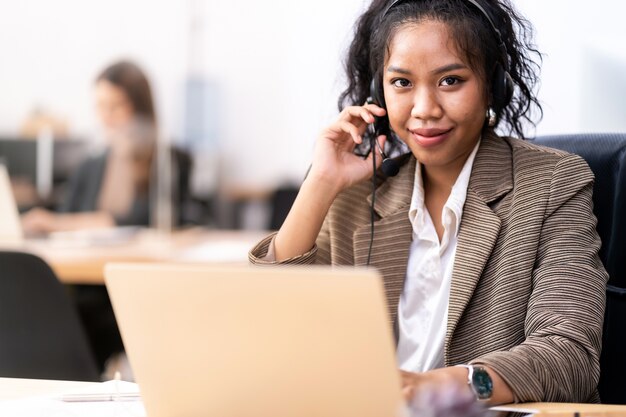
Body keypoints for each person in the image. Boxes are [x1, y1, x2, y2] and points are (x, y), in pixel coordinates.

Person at [250, 0, 607, 405]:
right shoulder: (357, 195)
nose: (424, 110)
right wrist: (321, 181)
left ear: (493, 84)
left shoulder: (551, 183)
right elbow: (270, 331)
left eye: (450, 80)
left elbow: (568, 355)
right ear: (376, 92)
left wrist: (434, 389)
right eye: (402, 83)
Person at [21, 60, 157, 234]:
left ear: (140, 107)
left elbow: (143, 219)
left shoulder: (165, 163)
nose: (106, 117)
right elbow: (65, 215)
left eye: (116, 106)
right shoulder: (90, 166)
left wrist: (55, 223)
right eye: (101, 106)